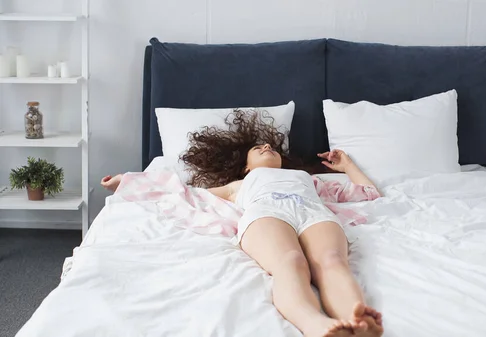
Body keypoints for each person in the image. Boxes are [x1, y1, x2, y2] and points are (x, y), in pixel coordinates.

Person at [101, 110, 384, 337]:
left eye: (271, 146)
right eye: (258, 147)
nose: (266, 146)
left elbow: (366, 194)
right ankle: (315, 325)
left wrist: (347, 166)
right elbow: (184, 193)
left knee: (332, 260)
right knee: (290, 262)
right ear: (245, 166)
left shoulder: (308, 179)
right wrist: (127, 181)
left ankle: (355, 321)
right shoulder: (240, 184)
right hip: (266, 214)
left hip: (312, 211)